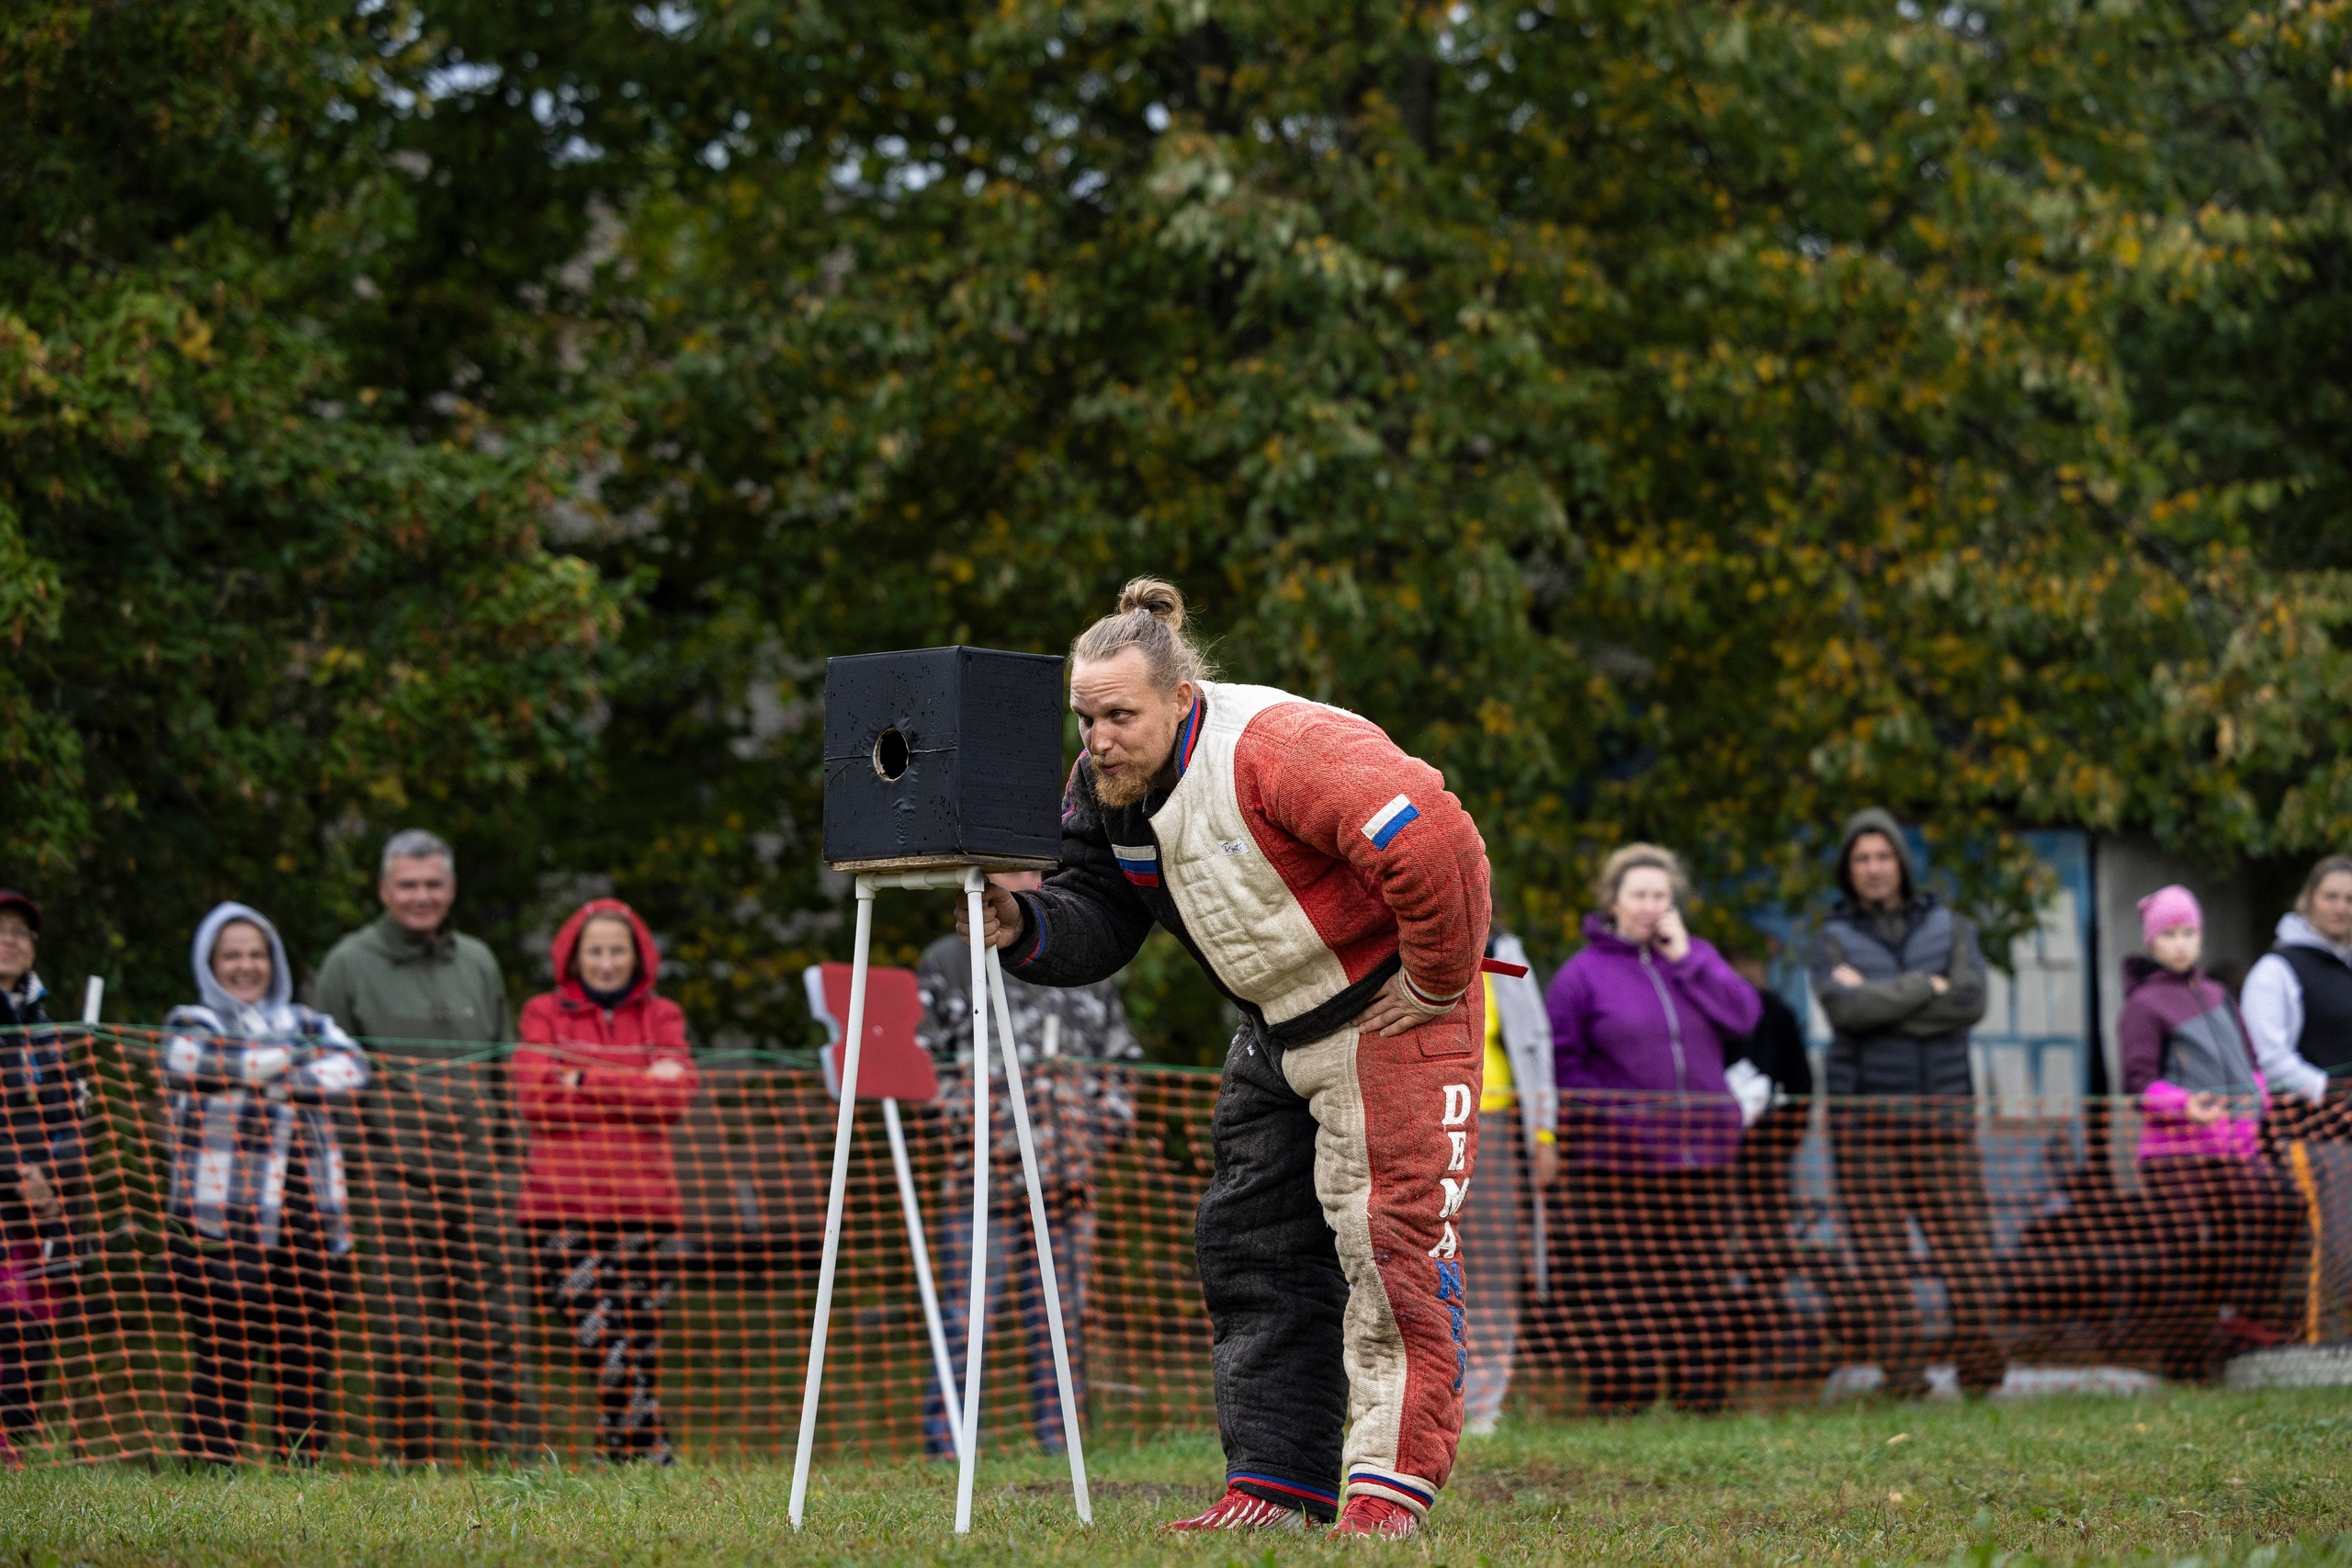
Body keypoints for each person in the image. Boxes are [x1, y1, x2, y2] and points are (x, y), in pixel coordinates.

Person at [958, 578, 1492, 1540]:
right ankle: (1275, 1488)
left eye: (1119, 716)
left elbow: (1435, 836)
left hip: (1390, 1016)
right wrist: (1024, 925)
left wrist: (1439, 979)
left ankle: (1386, 1495)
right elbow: (1101, 915)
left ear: (1179, 697)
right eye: (1085, 718)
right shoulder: (1104, 788)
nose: (1098, 739)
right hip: (1274, 1025)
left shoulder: (1280, 749)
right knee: (1250, 1250)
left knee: (1390, 1253)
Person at [311, 829, 541, 1462]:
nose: (421, 895)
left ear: (451, 888)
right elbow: (324, 1075)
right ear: (384, 889)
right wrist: (364, 1167)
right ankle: (413, 1466)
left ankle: (511, 1465)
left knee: (494, 1329)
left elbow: (503, 1067)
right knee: (403, 1336)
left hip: (479, 1180)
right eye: (407, 884)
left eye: (432, 883)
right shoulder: (347, 964)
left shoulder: (479, 961)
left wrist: (506, 1161)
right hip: (392, 1182)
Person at [912, 874, 1140, 1460]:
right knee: (968, 1317)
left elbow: (1123, 1064)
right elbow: (921, 1068)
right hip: (977, 1184)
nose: (1018, 881)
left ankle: (1061, 1445)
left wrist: (1091, 1131)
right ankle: (947, 1448)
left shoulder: (1083, 960)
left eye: (1030, 870)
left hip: (1068, 1182)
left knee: (1062, 1318)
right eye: (1002, 871)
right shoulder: (946, 962)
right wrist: (977, 1123)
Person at [1544, 845, 1760, 1413]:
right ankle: (1624, 1402)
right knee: (1624, 1287)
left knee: (1703, 1282)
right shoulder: (1580, 976)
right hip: (1620, 1163)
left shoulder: (1698, 960)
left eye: (1661, 896)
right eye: (1639, 895)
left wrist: (1690, 959)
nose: (1651, 906)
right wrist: (1626, 1119)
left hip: (1704, 1160)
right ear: (1612, 902)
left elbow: (1744, 1016)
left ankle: (1702, 1401)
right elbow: (1566, 1071)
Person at [159, 902, 370, 1463]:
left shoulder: (306, 1019)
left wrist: (259, 1076)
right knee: (224, 1360)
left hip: (312, 1221)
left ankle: (300, 1480)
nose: (246, 966)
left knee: (305, 1362)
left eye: (257, 954)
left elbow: (353, 1068)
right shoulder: (190, 1022)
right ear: (210, 963)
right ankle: (206, 1478)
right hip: (220, 1225)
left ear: (273, 961)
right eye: (231, 955)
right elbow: (201, 1064)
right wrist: (297, 1072)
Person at [1807, 808, 2002, 1396]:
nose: (1873, 868)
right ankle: (1905, 1381)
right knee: (1880, 1262)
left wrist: (1878, 1001)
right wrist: (1923, 988)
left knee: (1968, 1253)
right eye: (1861, 858)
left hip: (1943, 1117)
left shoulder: (1954, 927)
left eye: (1883, 856)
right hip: (1863, 1125)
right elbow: (1846, 1012)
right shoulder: (1830, 938)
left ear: (1901, 862)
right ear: (1848, 869)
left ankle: (1983, 1374)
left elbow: (1969, 1002)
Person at [512, 898, 698, 1465]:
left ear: (639, 956)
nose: (607, 961)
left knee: (639, 1345)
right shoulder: (542, 1013)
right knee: (603, 1342)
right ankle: (656, 1451)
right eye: (595, 950)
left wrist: (580, 1079)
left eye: (618, 949)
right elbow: (534, 1098)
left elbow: (676, 1096)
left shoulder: (663, 1015)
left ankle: (616, 1459)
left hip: (648, 1209)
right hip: (560, 1210)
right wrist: (636, 1079)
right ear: (573, 955)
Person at [2117, 885, 2297, 1376]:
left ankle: (2242, 1318)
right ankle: (2184, 1357)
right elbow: (2137, 1084)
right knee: (2184, 1247)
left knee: (2281, 1204)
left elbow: (2252, 1065)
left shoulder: (2219, 995)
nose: (2180, 944)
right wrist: (2185, 1106)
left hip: (2234, 1150)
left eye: (2189, 933)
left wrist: (2255, 1099)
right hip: (2173, 1156)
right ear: (2152, 942)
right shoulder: (2143, 1005)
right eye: (2170, 934)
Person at [0, 892, 88, 1468]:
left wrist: (52, 1182)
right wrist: (14, 1170)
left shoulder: (47, 1031)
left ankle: (14, 1448)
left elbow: (71, 1123)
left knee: (29, 1346)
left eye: (22, 934)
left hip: (43, 1217)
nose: (11, 940)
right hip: (9, 1199)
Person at [1457, 921, 1554, 1436]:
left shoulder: (1504, 957)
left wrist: (1545, 1134)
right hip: (1416, 1124)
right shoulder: (1387, 937)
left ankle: (1485, 1403)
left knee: (1493, 1270)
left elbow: (1535, 1044)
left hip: (1494, 1129)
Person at [1724, 944, 1815, 1381]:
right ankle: (1725, 1327)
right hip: (1718, 1146)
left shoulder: (1778, 1013)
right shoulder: (1714, 1007)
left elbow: (1800, 1080)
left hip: (1767, 1146)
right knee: (1721, 1239)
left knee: (1768, 1240)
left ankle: (1769, 1323)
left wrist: (1788, 1136)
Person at [2240, 855, 2352, 1108]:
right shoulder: (2276, 970)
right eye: (2331, 896)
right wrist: (2328, 1092)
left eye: (2350, 899)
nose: (2341, 908)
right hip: (2306, 1133)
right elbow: (2269, 1058)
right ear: (2309, 898)